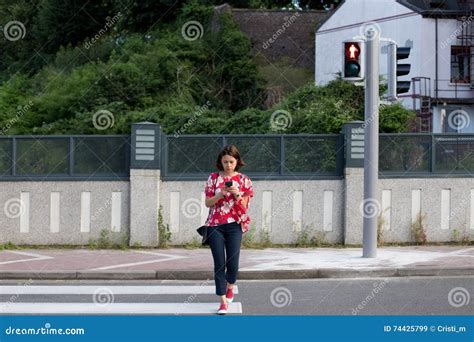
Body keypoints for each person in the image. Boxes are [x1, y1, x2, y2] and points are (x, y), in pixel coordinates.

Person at [204, 144, 254, 315]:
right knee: (219, 264)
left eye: (231, 162)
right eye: (225, 162)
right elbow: (207, 203)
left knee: (233, 264)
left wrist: (237, 194)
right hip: (214, 225)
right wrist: (220, 194)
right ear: (220, 162)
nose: (228, 166)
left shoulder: (245, 180)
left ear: (237, 161)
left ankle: (231, 285)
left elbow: (244, 207)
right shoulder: (212, 178)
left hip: (235, 225)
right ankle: (223, 302)